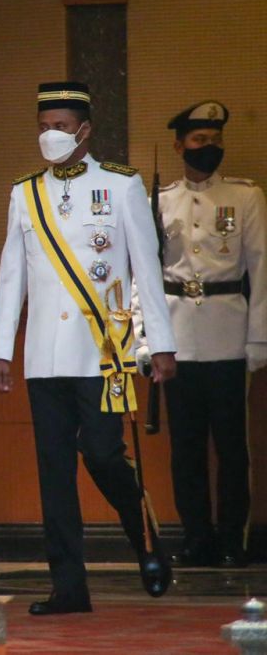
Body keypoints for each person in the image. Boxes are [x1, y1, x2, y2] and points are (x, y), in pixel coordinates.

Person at [0, 83, 177, 615]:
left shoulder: (121, 185)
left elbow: (147, 268)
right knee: (53, 471)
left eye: (62, 126)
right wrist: (0, 347)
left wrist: (159, 342)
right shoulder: (24, 193)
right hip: (44, 356)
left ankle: (144, 535)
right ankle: (68, 586)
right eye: (44, 125)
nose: (51, 134)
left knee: (101, 453)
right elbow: (10, 277)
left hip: (103, 351)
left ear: (85, 130)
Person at [139, 101, 266, 568]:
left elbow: (261, 268)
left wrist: (258, 338)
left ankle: (233, 539)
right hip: (177, 336)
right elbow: (146, 272)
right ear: (179, 145)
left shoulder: (246, 197)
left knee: (232, 446)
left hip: (228, 331)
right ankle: (197, 538)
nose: (209, 148)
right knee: (185, 446)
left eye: (215, 140)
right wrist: (148, 339)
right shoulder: (161, 199)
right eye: (199, 140)